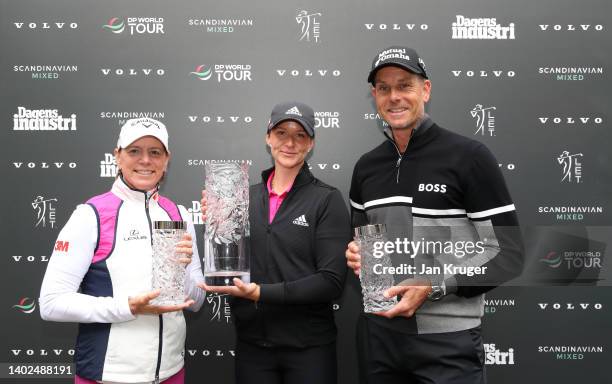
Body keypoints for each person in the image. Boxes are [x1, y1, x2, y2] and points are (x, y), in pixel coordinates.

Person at [345, 46, 524, 383]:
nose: (394, 97)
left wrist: (433, 286)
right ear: (374, 96)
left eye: (404, 85)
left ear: (425, 89)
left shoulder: (469, 156)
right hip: (378, 337)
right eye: (384, 88)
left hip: (447, 343)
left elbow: (509, 255)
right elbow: (359, 242)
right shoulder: (367, 167)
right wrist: (354, 254)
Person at [39, 118, 205, 384]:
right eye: (134, 151)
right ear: (117, 156)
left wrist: (181, 268)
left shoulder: (179, 215)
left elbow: (196, 302)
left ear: (166, 159)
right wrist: (128, 307)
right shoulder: (90, 215)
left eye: (155, 152)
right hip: (109, 377)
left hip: (171, 373)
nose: (145, 160)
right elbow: (51, 304)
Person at [200, 102, 350, 384]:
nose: (289, 143)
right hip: (253, 346)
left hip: (309, 348)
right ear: (268, 137)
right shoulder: (242, 198)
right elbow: (227, 262)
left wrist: (261, 293)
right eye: (281, 133)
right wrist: (217, 223)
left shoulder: (327, 199)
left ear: (311, 143)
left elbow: (331, 281)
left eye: (300, 135)